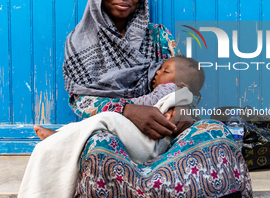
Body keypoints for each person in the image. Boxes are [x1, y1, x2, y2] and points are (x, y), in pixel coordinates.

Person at [20, 0, 252, 198]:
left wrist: (184, 108)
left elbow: (185, 79)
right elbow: (81, 101)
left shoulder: (159, 36)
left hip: (163, 131)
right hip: (113, 131)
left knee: (215, 133)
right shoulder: (79, 41)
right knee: (99, 147)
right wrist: (128, 111)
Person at [33, 56, 205, 165]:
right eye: (158, 69)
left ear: (183, 85)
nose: (156, 73)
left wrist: (125, 105)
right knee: (102, 125)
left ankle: (62, 136)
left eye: (165, 71)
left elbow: (146, 102)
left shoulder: (170, 88)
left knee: (106, 119)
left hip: (152, 140)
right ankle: (63, 136)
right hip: (155, 141)